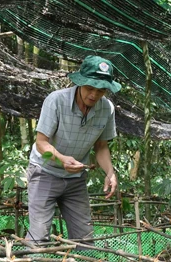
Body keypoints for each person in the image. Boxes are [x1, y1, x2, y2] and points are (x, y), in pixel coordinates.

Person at [25, 55, 121, 245]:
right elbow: (41, 144)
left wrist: (110, 172)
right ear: (80, 82)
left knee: (84, 238)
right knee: (39, 236)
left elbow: (101, 146)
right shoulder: (56, 100)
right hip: (44, 172)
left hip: (76, 178)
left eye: (101, 90)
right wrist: (62, 160)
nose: (94, 95)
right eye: (90, 88)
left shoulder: (107, 109)